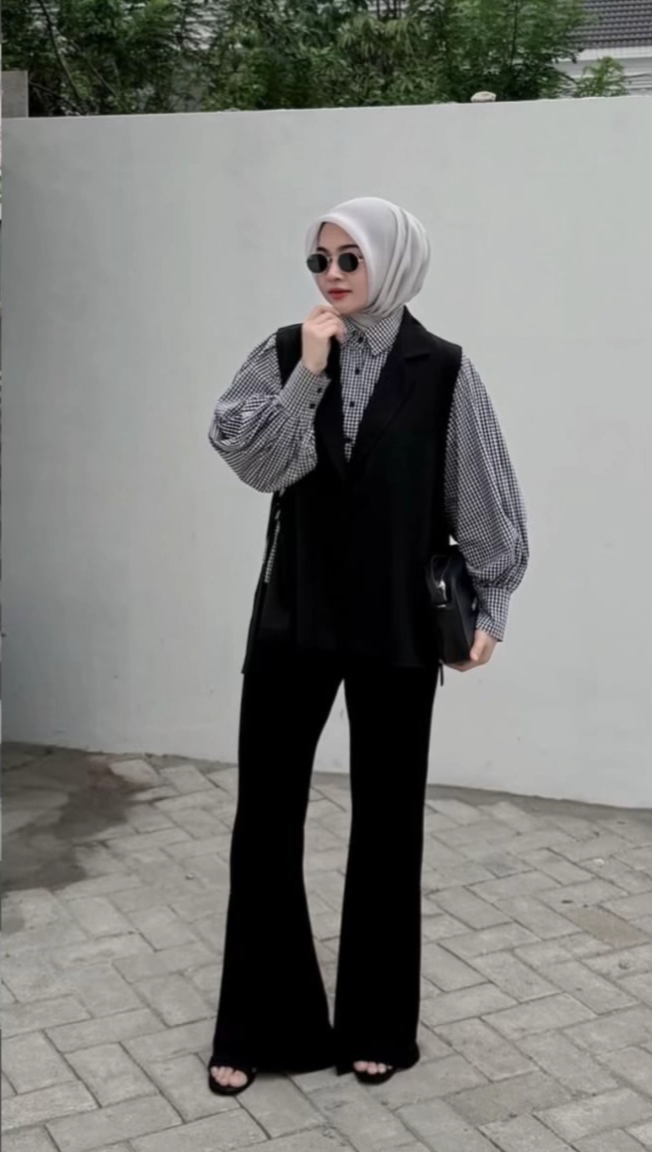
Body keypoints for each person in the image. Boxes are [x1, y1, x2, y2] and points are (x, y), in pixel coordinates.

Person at [206, 196, 528, 1096]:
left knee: (388, 826)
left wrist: (493, 602)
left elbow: (481, 492)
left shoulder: (443, 368)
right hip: (293, 619)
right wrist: (307, 375)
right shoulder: (285, 350)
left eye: (350, 257)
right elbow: (254, 463)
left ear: (393, 260)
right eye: (320, 259)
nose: (333, 274)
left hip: (395, 625)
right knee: (264, 823)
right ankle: (264, 1027)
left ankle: (376, 1025)